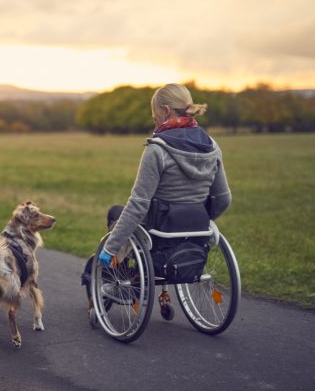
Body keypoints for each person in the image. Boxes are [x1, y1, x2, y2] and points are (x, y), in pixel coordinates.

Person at [98, 83, 232, 267]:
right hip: (197, 227)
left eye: (155, 117)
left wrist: (110, 247)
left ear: (167, 111)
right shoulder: (212, 145)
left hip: (159, 231)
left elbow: (139, 205)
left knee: (116, 212)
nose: (155, 122)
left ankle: (115, 279)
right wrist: (196, 220)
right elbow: (223, 199)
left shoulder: (157, 149)